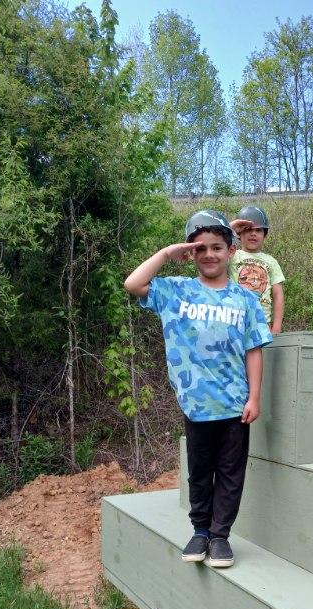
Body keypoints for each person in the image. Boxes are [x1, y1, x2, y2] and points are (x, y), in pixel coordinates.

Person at [123, 210, 272, 568]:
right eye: (200, 248)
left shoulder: (246, 300)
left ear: (231, 251)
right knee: (200, 473)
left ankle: (221, 537)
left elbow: (253, 350)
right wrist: (165, 253)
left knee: (231, 474)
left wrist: (254, 396)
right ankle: (201, 531)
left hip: (236, 404)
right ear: (190, 253)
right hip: (195, 404)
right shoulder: (176, 291)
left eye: (217, 247)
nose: (209, 254)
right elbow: (133, 284)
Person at [228, 206, 285, 334]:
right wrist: (230, 227)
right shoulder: (231, 255)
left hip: (262, 324)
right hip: (233, 321)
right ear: (238, 233)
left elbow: (278, 295)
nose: (253, 233)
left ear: (264, 235)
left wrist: (276, 327)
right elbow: (211, 246)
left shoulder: (271, 261)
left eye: (258, 230)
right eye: (248, 230)